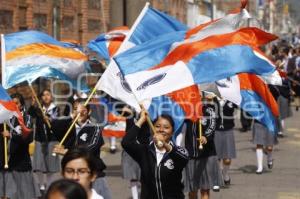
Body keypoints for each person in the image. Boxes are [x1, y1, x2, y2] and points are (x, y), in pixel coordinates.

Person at [121, 109, 189, 199]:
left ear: (172, 132)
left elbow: (184, 158)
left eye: (166, 127)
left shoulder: (178, 152)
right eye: (157, 126)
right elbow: (126, 142)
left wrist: (164, 144)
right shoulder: (145, 151)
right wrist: (141, 120)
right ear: (152, 129)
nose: (161, 130)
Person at [52, 99, 111, 199]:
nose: (79, 112)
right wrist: (71, 117)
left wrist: (68, 152)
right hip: (73, 177)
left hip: (94, 177)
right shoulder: (68, 127)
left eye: (82, 109)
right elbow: (54, 127)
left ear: (89, 112)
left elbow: (91, 147)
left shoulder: (94, 127)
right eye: (75, 109)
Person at [184, 93, 222, 199]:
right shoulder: (186, 111)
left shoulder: (209, 110)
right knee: (192, 191)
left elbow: (212, 125)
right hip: (191, 154)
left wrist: (206, 136)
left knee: (205, 190)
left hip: (206, 154)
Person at [28, 89, 60, 191]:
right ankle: (41, 184)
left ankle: (49, 184)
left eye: (48, 95)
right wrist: (32, 104)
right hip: (40, 139)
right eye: (43, 95)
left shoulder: (56, 109)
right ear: (40, 98)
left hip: (52, 140)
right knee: (39, 165)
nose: (46, 97)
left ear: (51, 96)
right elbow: (30, 114)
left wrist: (50, 119)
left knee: (51, 165)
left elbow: (58, 121)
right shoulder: (38, 109)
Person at [214, 99, 237, 186]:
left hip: (228, 130)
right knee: (216, 158)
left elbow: (242, 105)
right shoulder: (213, 100)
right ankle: (217, 177)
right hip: (216, 130)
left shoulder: (231, 98)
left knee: (227, 159)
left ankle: (225, 173)